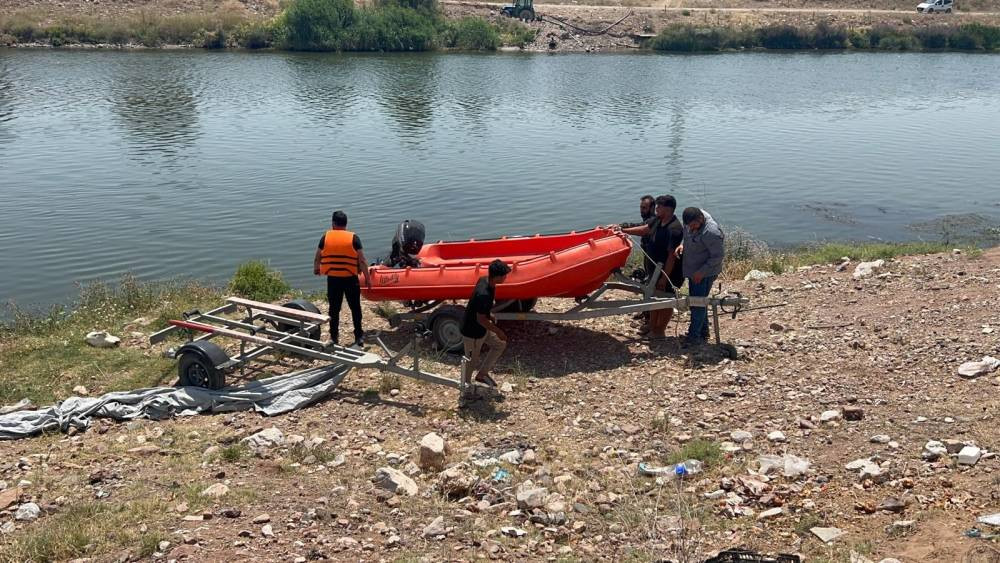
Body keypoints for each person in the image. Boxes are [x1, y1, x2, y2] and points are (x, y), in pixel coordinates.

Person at [620, 195, 684, 339]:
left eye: (659, 207)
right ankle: (653, 327)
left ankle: (660, 330)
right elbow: (645, 229)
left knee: (666, 300)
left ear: (668, 210)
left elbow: (671, 257)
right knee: (655, 297)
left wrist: (663, 278)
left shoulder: (674, 229)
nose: (656, 209)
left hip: (668, 273)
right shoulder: (658, 220)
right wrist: (624, 231)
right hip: (654, 269)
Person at [314, 210, 371, 348]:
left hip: (333, 279)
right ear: (346, 224)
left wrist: (316, 269)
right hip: (350, 278)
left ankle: (334, 337)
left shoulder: (325, 237)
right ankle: (358, 337)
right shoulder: (354, 238)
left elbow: (318, 257)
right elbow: (362, 261)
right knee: (355, 308)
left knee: (334, 309)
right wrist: (367, 278)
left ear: (333, 223)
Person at [674, 207, 725, 346]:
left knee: (697, 304)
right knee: (698, 301)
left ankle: (694, 336)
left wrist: (702, 271)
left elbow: (718, 256)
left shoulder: (711, 232)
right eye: (689, 226)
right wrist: (682, 245)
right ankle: (703, 332)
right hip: (692, 269)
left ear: (700, 219)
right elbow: (687, 237)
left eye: (693, 226)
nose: (691, 228)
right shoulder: (689, 222)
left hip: (704, 273)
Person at [459, 259, 511, 388]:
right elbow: (480, 319)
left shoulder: (485, 280)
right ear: (498, 277)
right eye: (504, 275)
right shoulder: (484, 293)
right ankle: (465, 388)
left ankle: (482, 374)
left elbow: (480, 309)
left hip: (483, 329)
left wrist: (489, 314)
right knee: (471, 361)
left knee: (500, 345)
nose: (506, 277)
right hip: (473, 332)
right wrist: (498, 331)